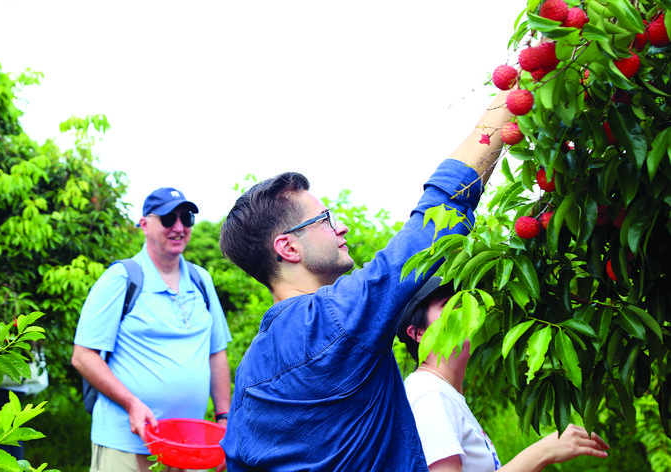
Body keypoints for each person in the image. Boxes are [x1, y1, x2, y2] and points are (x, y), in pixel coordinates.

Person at [217, 90, 514, 471]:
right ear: (288, 248)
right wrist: (509, 101)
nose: (339, 227)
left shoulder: (250, 369)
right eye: (324, 220)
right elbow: (431, 227)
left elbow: (237, 458)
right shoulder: (331, 318)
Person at [71, 187, 232, 472]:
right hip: (126, 443)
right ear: (144, 225)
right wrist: (132, 403)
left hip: (189, 445)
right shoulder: (121, 279)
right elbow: (83, 356)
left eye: (187, 218)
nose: (179, 227)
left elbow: (216, 352)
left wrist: (224, 417)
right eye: (169, 218)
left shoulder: (201, 280)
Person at [397, 276, 610, 472]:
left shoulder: (443, 393)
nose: (463, 309)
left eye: (462, 301)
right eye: (448, 305)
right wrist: (542, 452)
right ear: (417, 333)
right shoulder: (428, 394)